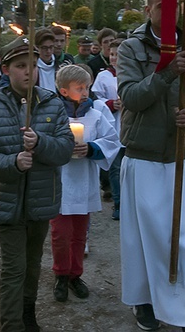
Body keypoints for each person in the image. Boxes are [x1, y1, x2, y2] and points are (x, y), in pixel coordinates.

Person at [116, 0, 185, 332]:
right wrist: (168, 72)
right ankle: (144, 300)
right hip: (143, 155)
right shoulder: (130, 48)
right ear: (148, 10)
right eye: (161, 6)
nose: (168, 12)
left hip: (180, 156)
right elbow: (130, 96)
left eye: (174, 5)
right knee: (143, 238)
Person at [0, 35, 74, 332]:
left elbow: (65, 149)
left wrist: (41, 142)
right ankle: (12, 324)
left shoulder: (52, 105)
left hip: (41, 203)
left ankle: (28, 313)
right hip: (9, 205)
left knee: (32, 266)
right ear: (5, 69)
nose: (29, 71)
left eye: (32, 64)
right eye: (20, 66)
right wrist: (13, 163)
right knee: (14, 269)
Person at [51, 64, 119, 303]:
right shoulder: (54, 113)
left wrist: (91, 148)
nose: (86, 91)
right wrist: (61, 148)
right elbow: (45, 141)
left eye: (87, 87)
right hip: (60, 180)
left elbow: (111, 140)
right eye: (80, 88)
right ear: (63, 91)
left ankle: (75, 275)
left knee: (80, 233)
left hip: (84, 180)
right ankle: (60, 273)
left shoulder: (96, 113)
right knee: (61, 233)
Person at [91, 38, 125, 220]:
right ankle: (118, 203)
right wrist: (112, 103)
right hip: (113, 124)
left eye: (118, 55)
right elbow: (97, 100)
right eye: (112, 54)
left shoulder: (132, 75)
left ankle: (131, 203)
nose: (114, 58)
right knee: (115, 167)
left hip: (130, 125)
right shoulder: (104, 76)